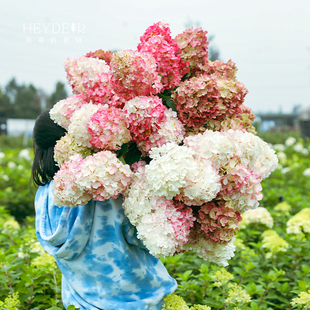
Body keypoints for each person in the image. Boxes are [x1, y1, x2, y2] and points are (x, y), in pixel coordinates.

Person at [32, 110, 177, 310]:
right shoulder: (105, 189)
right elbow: (145, 239)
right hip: (140, 302)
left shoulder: (43, 195)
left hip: (80, 303)